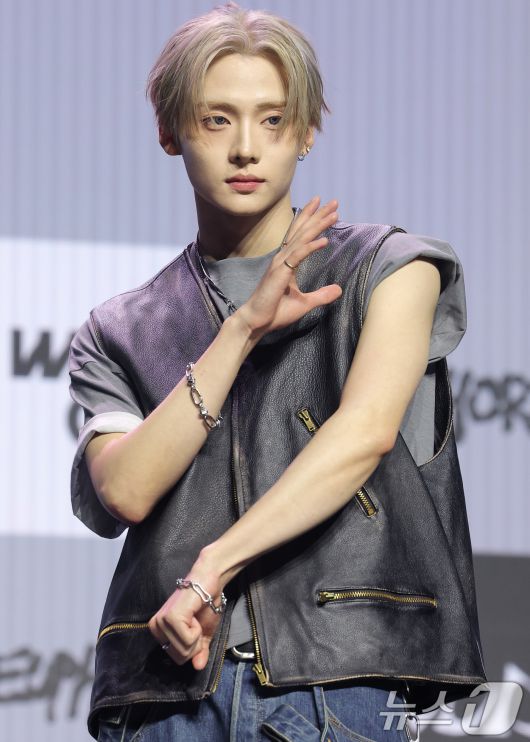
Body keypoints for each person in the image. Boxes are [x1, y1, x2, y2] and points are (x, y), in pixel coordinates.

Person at [68, 3, 486, 740]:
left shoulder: (389, 268)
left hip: (339, 684)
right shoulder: (121, 329)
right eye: (216, 120)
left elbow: (363, 436)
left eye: (272, 120)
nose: (245, 149)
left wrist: (213, 568)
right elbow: (125, 491)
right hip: (165, 697)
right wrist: (241, 330)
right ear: (170, 132)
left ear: (306, 132)